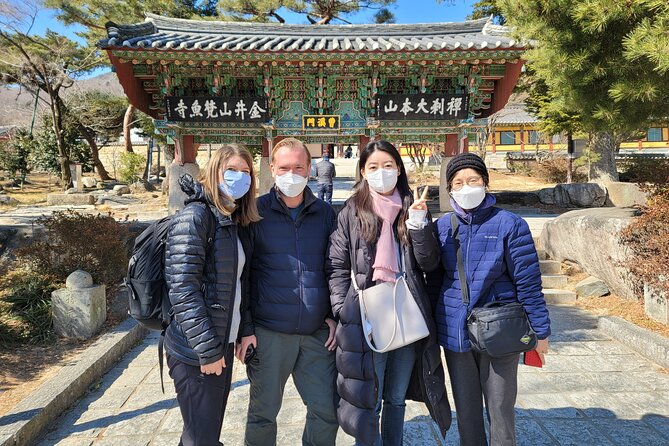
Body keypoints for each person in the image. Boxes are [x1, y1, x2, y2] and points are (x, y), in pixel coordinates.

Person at [327, 140, 452, 446]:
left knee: (396, 397)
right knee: (370, 395)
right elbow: (337, 265)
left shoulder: (412, 207)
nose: (381, 172)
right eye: (373, 167)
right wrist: (343, 308)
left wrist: (420, 226)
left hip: (406, 308)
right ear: (362, 171)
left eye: (387, 166)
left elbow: (429, 263)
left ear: (398, 168)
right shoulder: (351, 210)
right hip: (368, 312)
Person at [428, 152, 551, 446]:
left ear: (485, 182)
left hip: (501, 329)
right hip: (456, 333)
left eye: (473, 180)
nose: (466, 187)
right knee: (467, 411)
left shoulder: (510, 224)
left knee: (500, 409)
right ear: (450, 189)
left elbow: (529, 282)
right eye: (458, 182)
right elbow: (434, 282)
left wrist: (541, 331)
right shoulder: (443, 227)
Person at [239, 137, 339, 446]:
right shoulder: (254, 213)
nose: (291, 174)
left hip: (316, 334)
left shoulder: (325, 214)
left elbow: (334, 268)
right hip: (269, 333)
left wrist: (334, 315)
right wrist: (245, 328)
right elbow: (241, 275)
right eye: (284, 167)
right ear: (272, 169)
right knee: (263, 414)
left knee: (326, 411)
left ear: (310, 169)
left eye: (298, 167)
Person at [163, 144, 260, 446]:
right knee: (201, 437)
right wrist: (207, 351)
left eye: (245, 172)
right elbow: (183, 290)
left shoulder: (230, 219)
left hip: (222, 344)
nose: (239, 177)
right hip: (196, 350)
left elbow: (236, 287)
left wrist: (244, 331)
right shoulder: (196, 217)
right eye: (231, 170)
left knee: (202, 434)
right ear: (213, 171)